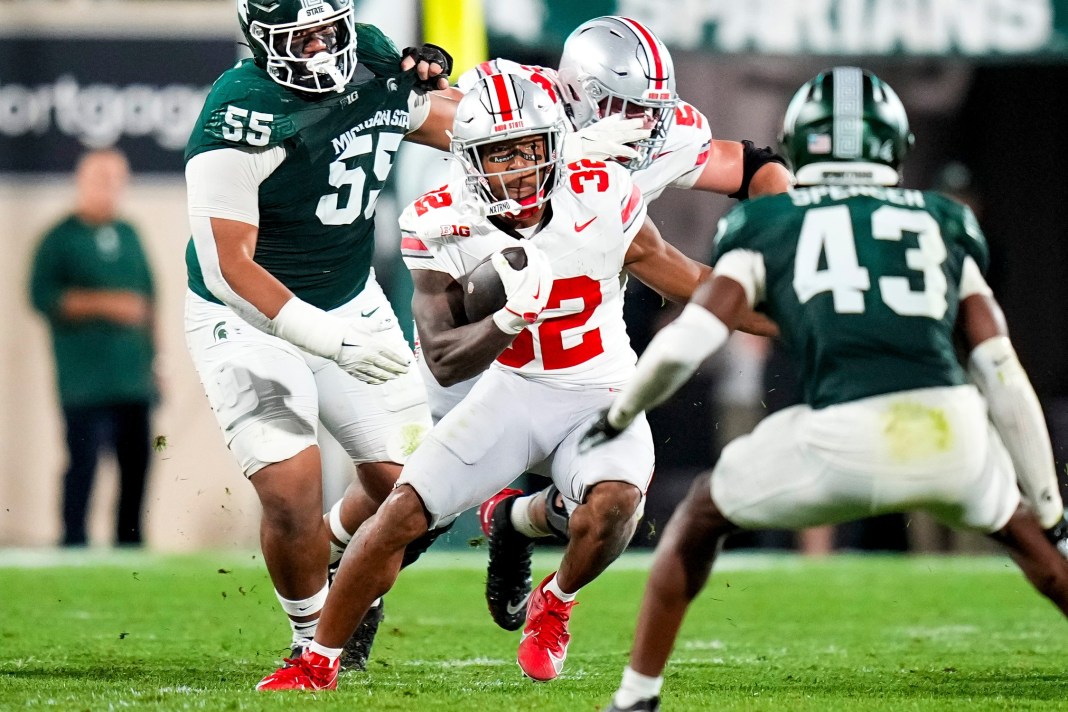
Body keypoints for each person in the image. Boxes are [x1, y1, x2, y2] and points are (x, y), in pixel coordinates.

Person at [577, 67, 1068, 712]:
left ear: (801, 143)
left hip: (843, 436)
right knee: (1034, 543)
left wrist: (620, 412)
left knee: (699, 515)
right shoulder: (944, 219)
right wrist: (1050, 507)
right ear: (894, 143)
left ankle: (636, 697)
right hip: (950, 431)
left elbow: (692, 339)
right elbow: (1001, 374)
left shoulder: (774, 220)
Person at [254, 72, 747, 691]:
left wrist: (775, 300)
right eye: (501, 154)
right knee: (401, 505)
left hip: (596, 387)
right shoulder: (441, 218)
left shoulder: (607, 183)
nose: (518, 168)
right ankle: (319, 653)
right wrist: (510, 315)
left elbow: (703, 235)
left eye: (531, 150)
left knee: (615, 504)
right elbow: (443, 354)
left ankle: (552, 593)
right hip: (500, 382)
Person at [458, 16, 794, 632]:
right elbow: (432, 122)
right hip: (486, 305)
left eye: (651, 108)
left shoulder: (660, 134)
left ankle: (515, 520)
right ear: (580, 93)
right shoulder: (521, 104)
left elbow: (754, 166)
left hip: (589, 310)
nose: (643, 122)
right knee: (408, 492)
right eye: (626, 106)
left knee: (609, 488)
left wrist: (782, 226)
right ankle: (345, 624)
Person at [183, 0, 464, 666]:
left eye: (325, 31)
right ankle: (312, 641)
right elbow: (229, 268)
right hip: (245, 318)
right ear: (260, 42)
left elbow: (456, 124)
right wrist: (327, 341)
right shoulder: (239, 111)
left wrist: (444, 82)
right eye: (298, 37)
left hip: (348, 298)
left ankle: (339, 556)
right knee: (290, 488)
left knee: (414, 488)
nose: (317, 48)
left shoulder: (370, 55)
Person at [29, 148, 158, 548]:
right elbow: (42, 296)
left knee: (137, 466)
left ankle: (130, 546)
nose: (109, 189)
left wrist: (157, 363)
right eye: (101, 179)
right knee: (83, 465)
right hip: (85, 382)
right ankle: (73, 542)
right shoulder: (59, 239)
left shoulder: (129, 233)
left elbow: (148, 302)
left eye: (117, 180)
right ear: (82, 181)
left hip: (133, 379)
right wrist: (107, 304)